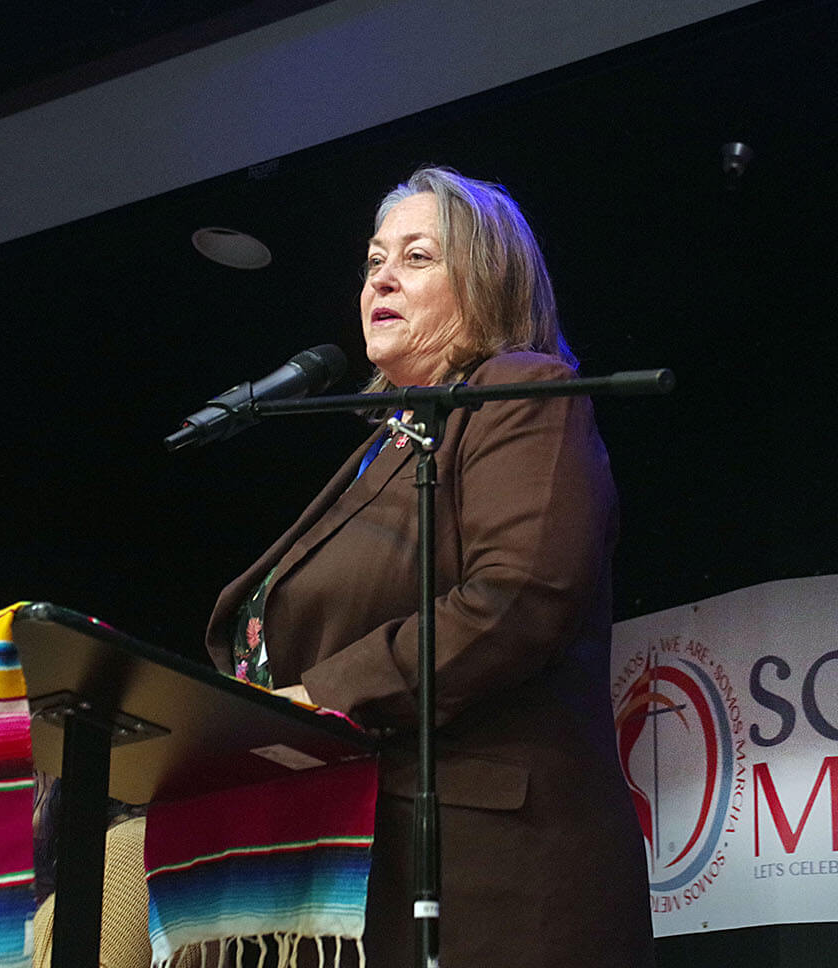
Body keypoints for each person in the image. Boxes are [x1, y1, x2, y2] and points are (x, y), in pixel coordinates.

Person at [205, 167, 655, 967]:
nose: (382, 276)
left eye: (416, 257)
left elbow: (520, 595)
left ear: (486, 283)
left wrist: (320, 701)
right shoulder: (391, 443)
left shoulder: (523, 391)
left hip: (492, 874)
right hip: (358, 864)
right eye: (374, 260)